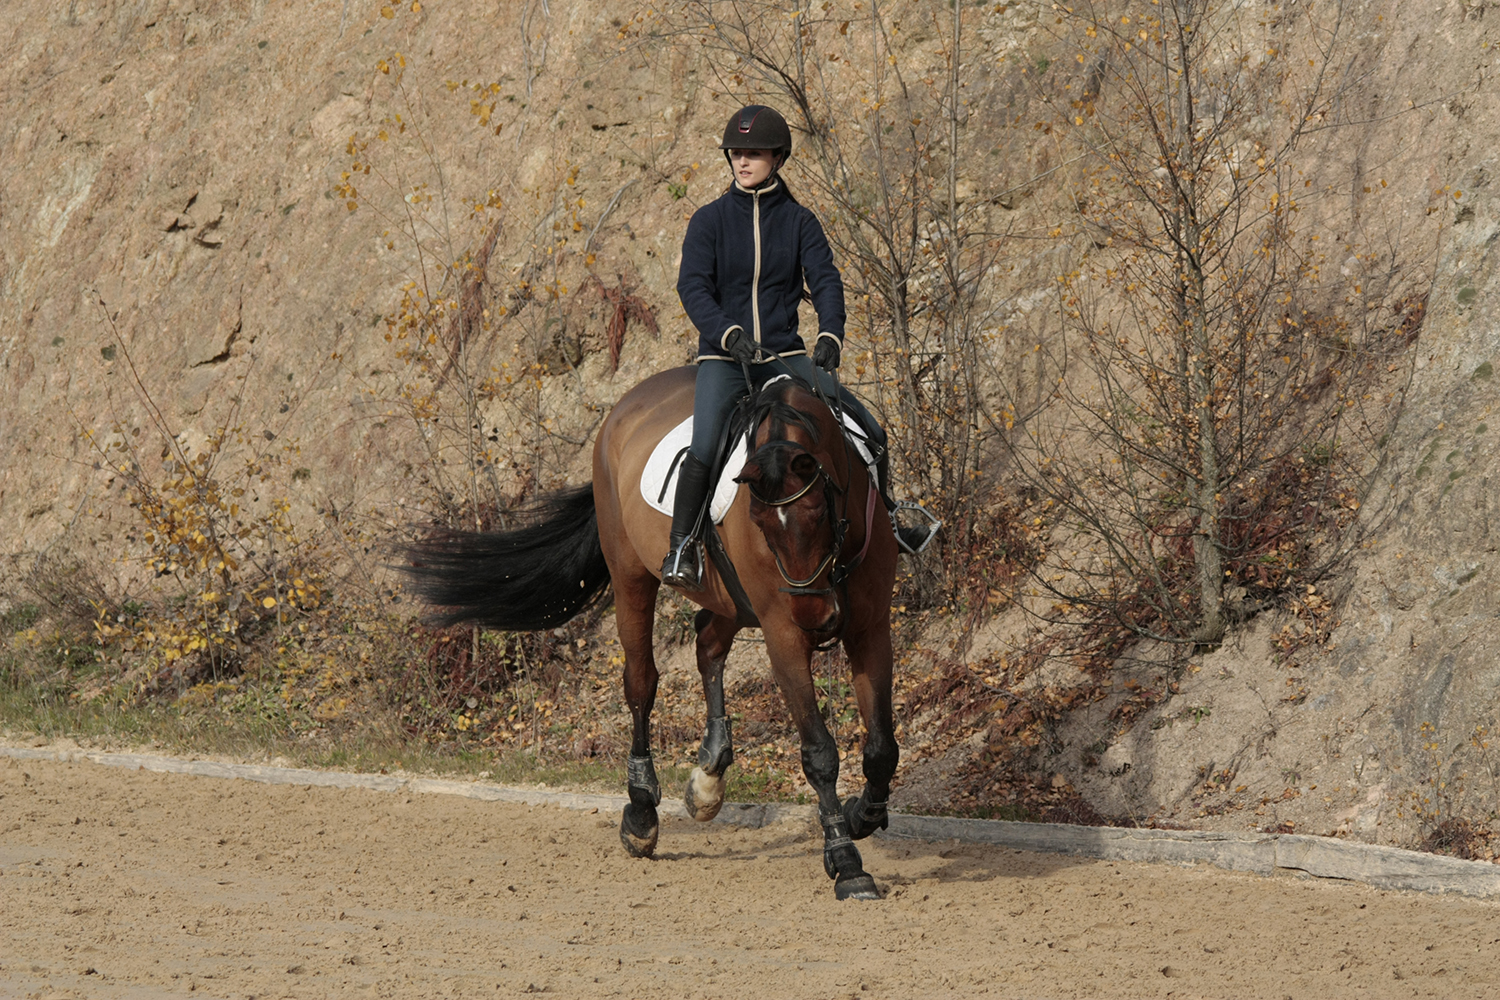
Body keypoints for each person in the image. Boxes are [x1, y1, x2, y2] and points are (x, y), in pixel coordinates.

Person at [662, 104, 937, 590]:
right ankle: (682, 545)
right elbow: (693, 288)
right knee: (704, 444)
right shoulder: (708, 221)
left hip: (784, 356)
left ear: (778, 158)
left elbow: (826, 280)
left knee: (866, 426)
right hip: (725, 358)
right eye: (736, 153)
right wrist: (728, 335)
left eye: (753, 153)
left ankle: (891, 519)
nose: (741, 162)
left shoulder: (799, 221)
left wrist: (830, 334)